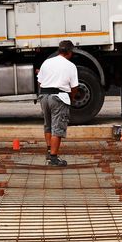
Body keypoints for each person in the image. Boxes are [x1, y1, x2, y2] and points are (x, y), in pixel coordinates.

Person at [37, 39, 79, 167]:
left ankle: (49, 151)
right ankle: (54, 158)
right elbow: (75, 87)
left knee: (48, 125)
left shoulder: (47, 62)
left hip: (44, 96)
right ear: (70, 52)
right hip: (59, 97)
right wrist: (71, 98)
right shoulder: (70, 66)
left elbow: (40, 81)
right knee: (58, 128)